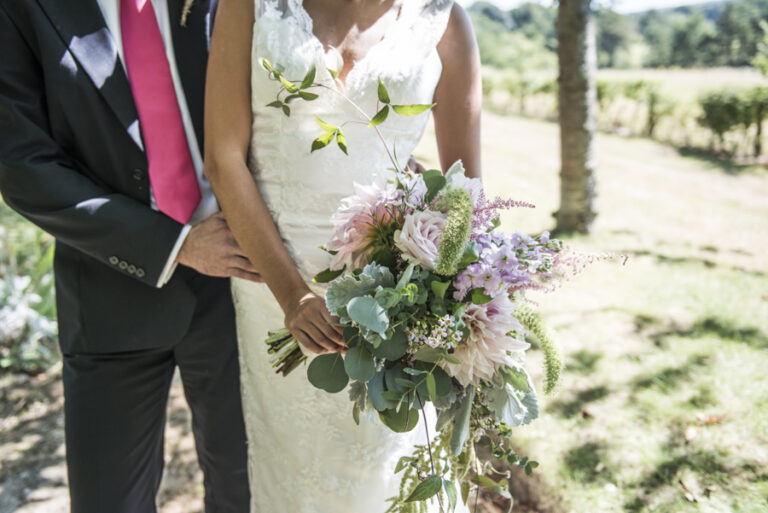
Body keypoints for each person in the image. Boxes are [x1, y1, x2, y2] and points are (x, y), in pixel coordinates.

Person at [204, 0, 482, 510]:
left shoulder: (443, 20)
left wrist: (435, 296)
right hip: (272, 284)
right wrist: (293, 296)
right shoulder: (249, 5)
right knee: (294, 473)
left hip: (397, 297)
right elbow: (223, 159)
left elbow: (464, 189)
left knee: (393, 460)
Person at [0, 1, 256, 511]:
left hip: (239, 280)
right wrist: (173, 244)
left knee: (245, 488)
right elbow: (21, 163)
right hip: (108, 287)